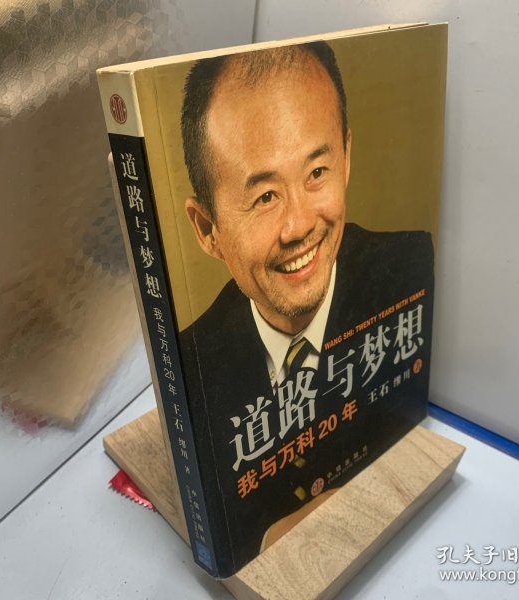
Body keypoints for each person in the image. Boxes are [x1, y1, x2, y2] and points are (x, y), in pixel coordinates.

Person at [178, 42, 434, 573]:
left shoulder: (412, 268)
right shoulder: (190, 372)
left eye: (317, 172)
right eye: (264, 196)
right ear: (207, 229)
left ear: (346, 157)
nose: (299, 227)